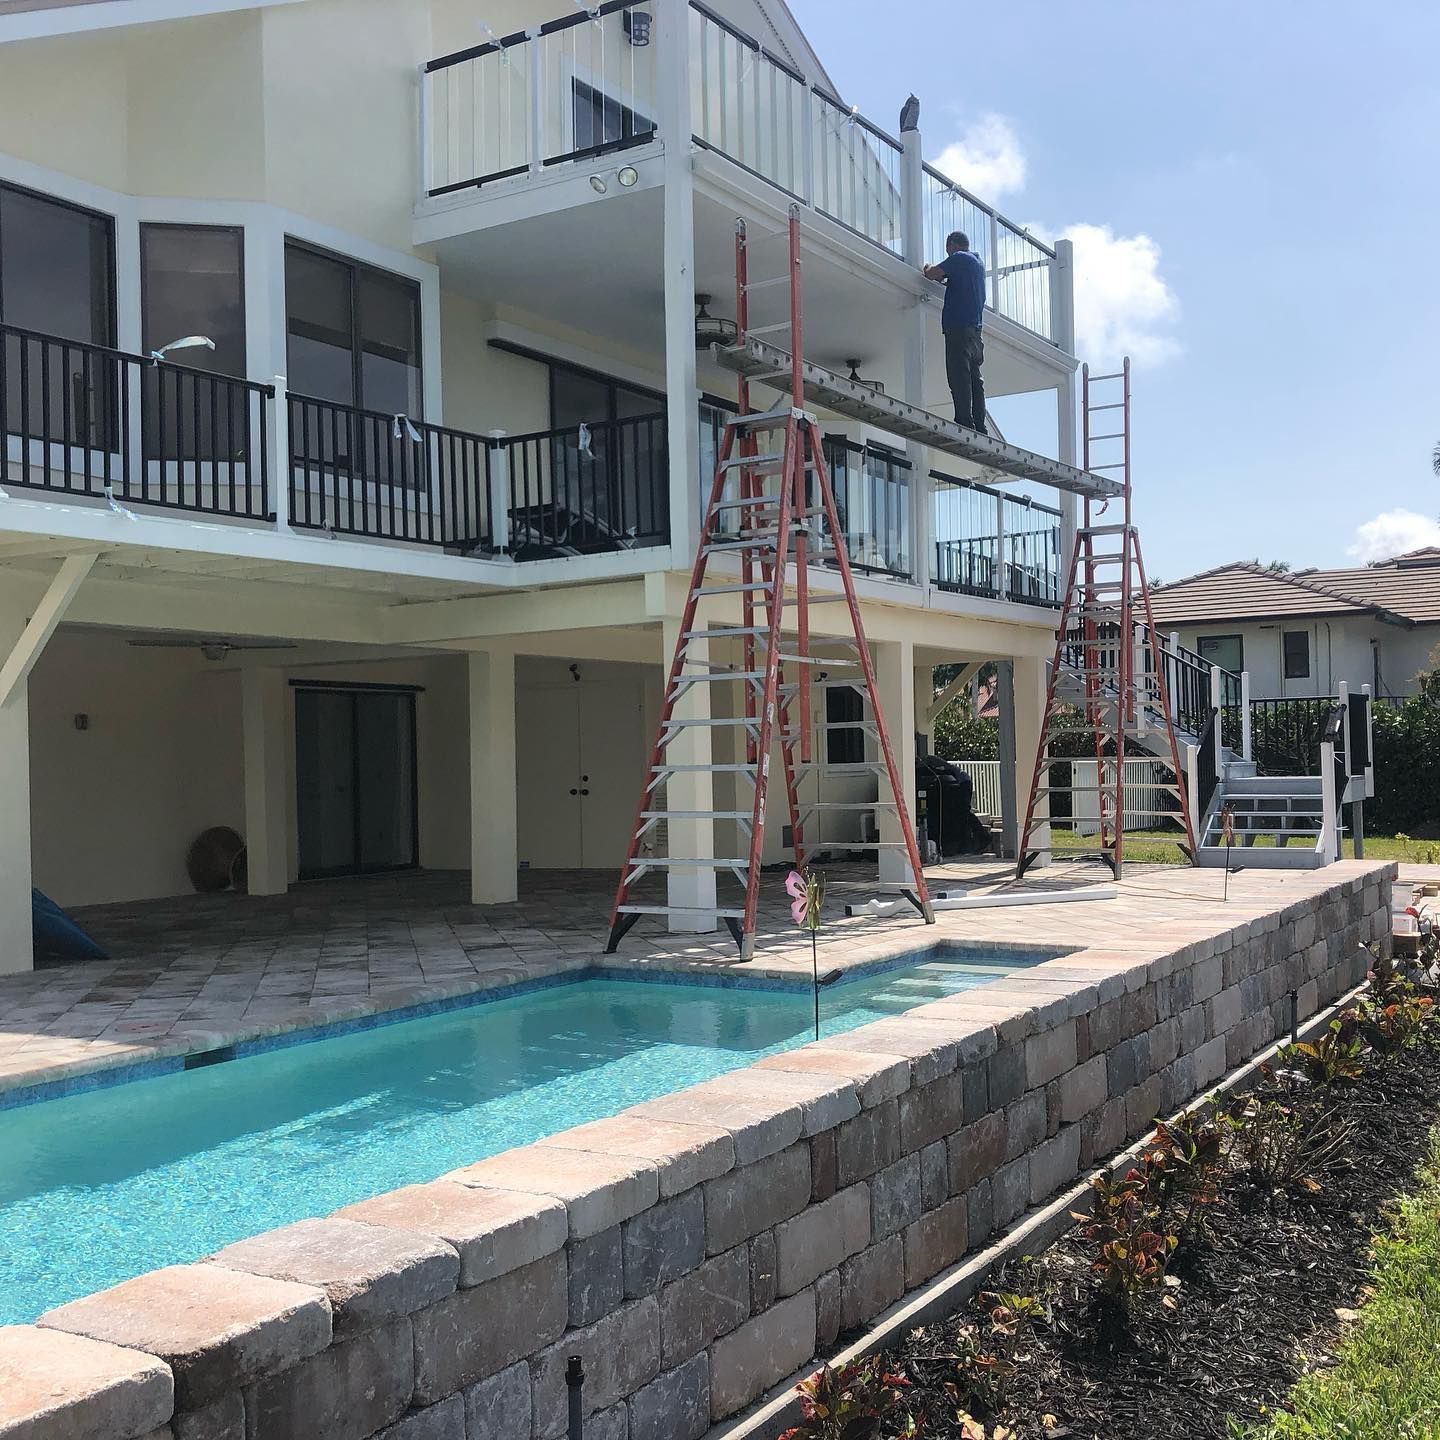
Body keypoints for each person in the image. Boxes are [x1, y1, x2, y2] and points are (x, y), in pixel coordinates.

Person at [924, 231, 987, 432]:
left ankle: (964, 422)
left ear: (952, 245)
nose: (948, 253)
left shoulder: (959, 258)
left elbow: (932, 273)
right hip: (975, 332)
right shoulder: (978, 264)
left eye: (948, 250)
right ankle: (980, 425)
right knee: (975, 380)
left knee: (959, 377)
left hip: (959, 328)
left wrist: (927, 267)